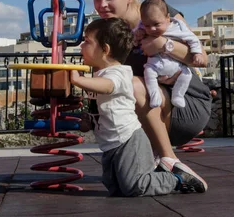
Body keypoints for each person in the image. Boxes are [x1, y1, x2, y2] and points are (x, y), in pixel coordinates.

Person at [89, 0, 211, 177]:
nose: (101, 5)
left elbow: (201, 58)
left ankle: (170, 161)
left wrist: (165, 44)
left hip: (185, 104)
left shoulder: (156, 12)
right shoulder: (110, 34)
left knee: (133, 84)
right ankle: (153, 163)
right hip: (149, 111)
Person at [70, 17, 207, 196]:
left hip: (128, 138)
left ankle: (176, 179)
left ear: (105, 49)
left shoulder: (118, 72)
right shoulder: (101, 74)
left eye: (87, 42)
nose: (81, 46)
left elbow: (108, 86)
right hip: (111, 142)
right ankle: (155, 177)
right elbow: (100, 103)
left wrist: (78, 80)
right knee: (114, 186)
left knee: (135, 185)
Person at [134, 0, 203, 109]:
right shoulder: (142, 29)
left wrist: (197, 53)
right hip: (154, 64)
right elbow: (135, 38)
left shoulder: (177, 28)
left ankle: (178, 95)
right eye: (147, 25)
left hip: (177, 66)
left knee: (187, 74)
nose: (152, 29)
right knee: (148, 72)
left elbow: (193, 39)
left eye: (156, 24)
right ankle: (155, 95)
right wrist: (138, 35)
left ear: (167, 18)